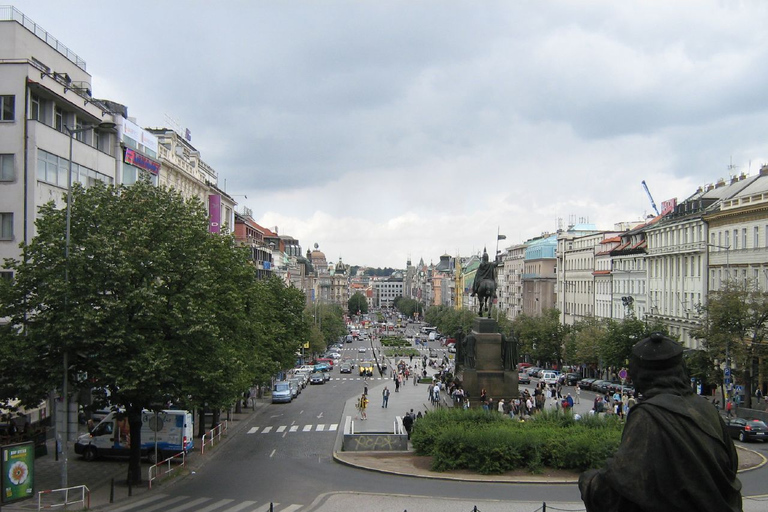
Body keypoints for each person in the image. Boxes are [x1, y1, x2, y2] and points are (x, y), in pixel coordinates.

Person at [579, 333, 742, 512]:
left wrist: (589, 482)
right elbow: (730, 466)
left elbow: (620, 485)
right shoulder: (706, 408)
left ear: (641, 375)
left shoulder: (648, 416)